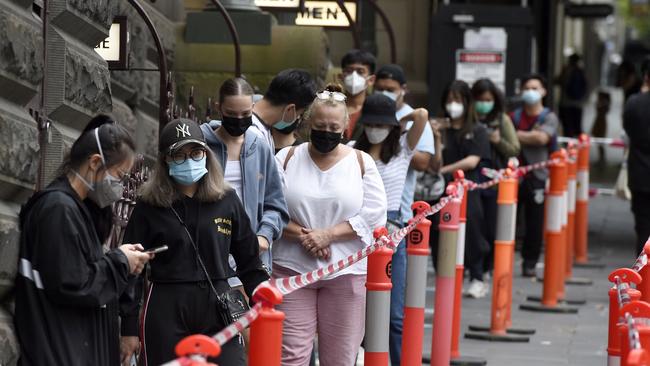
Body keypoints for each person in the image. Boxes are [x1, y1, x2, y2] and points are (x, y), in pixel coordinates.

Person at [119, 119, 269, 366]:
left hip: (218, 303)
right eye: (179, 155)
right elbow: (131, 270)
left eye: (196, 152)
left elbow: (249, 260)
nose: (189, 160)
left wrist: (263, 296)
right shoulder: (149, 206)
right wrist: (128, 327)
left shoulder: (227, 199)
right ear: (166, 160)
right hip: (167, 304)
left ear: (206, 155)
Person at [14, 116, 153, 366]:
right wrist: (121, 261)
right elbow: (74, 284)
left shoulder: (78, 209)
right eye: (119, 176)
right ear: (95, 162)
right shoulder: (58, 209)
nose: (120, 187)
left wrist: (124, 263)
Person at [274, 84, 387, 366]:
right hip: (291, 271)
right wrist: (307, 237)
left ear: (345, 126)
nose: (327, 131)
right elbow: (269, 208)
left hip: (345, 272)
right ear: (308, 124)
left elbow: (374, 213)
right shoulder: (286, 158)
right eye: (320, 125)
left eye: (333, 126)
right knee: (290, 356)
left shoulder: (362, 162)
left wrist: (328, 235)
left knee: (341, 357)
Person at [353, 90, 429, 366]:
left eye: (381, 124)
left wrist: (398, 119)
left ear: (392, 127)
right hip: (358, 234)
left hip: (393, 234)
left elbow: (422, 114)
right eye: (371, 124)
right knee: (359, 311)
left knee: (395, 315)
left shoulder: (402, 152)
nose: (375, 130)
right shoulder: (352, 151)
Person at [200, 77, 289, 272]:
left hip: (250, 255)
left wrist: (265, 235)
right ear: (219, 108)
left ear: (253, 107)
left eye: (246, 113)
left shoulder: (260, 148)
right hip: (206, 251)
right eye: (231, 113)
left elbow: (275, 204)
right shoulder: (200, 144)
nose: (239, 119)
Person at [433, 80, 491, 298]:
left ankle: (477, 275)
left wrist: (446, 170)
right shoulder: (441, 129)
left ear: (467, 102)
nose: (453, 105)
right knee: (441, 232)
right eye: (449, 100)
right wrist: (437, 138)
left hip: (468, 188)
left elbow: (472, 161)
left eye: (457, 100)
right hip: (442, 189)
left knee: (472, 231)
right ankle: (446, 276)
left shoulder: (477, 130)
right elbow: (435, 162)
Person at [510, 74, 560, 277]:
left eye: (535, 88)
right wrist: (529, 135)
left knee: (534, 221)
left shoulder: (549, 117)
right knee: (509, 218)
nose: (531, 91)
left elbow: (542, 138)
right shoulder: (514, 116)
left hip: (538, 175)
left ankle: (530, 262)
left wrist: (515, 134)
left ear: (544, 92)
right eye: (527, 87)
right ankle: (501, 258)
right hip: (513, 175)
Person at [471, 78, 520, 275]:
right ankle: (474, 266)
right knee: (474, 224)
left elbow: (514, 148)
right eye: (480, 99)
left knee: (491, 226)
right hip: (471, 178)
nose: (483, 103)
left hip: (493, 180)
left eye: (488, 99)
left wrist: (497, 141)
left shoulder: (501, 119)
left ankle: (488, 265)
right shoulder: (469, 118)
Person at [250, 69, 317, 151]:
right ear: (290, 109)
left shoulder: (261, 130)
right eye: (299, 114)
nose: (298, 118)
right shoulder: (254, 137)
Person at [623, 57, 650, 256]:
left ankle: (644, 281)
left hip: (640, 175)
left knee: (643, 229)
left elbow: (628, 130)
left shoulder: (634, 103)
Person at [339, 49, 377, 141]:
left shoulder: (375, 110)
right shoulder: (329, 106)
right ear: (341, 77)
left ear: (371, 80)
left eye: (360, 72)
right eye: (349, 71)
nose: (354, 76)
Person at [557, 54, 588, 137]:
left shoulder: (567, 70)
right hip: (578, 104)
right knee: (577, 127)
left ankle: (569, 146)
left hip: (566, 104)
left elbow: (559, 81)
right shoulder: (581, 71)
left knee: (567, 128)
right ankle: (577, 145)